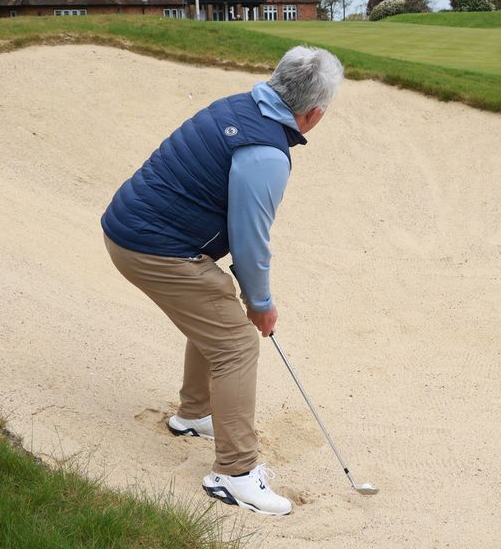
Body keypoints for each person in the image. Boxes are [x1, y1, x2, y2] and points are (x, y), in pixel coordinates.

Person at [102, 45, 344, 516]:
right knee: (236, 342)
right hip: (153, 246)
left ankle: (193, 413)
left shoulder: (239, 103)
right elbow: (250, 241)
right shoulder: (264, 153)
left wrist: (249, 299)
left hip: (132, 227)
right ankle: (235, 474)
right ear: (313, 114)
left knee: (217, 316)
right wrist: (261, 302)